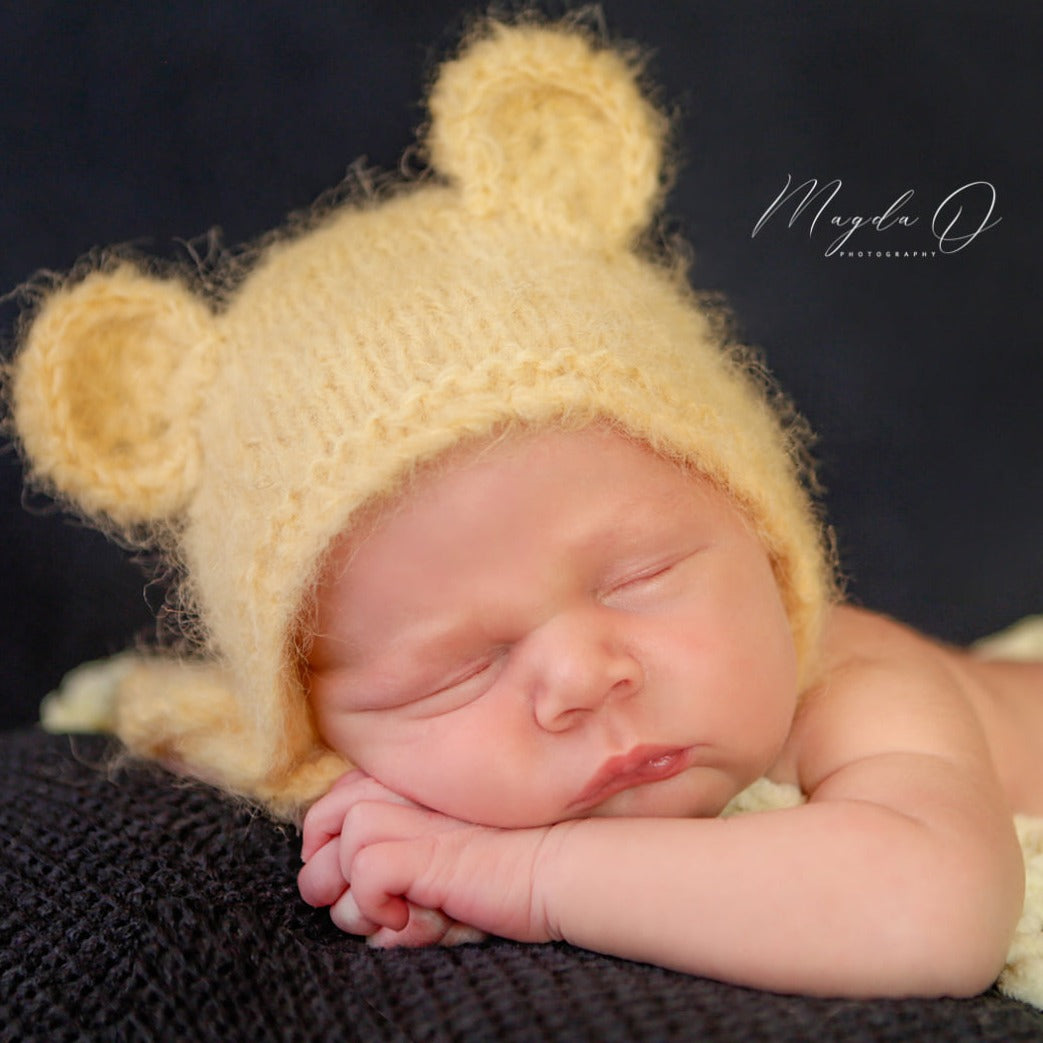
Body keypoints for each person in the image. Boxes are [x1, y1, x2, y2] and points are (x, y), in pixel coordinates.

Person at [5, 16, 1040, 999]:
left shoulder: (852, 689)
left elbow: (928, 915)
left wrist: (529, 874)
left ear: (764, 541)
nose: (582, 677)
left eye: (640, 578)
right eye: (453, 671)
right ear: (317, 726)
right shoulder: (325, 735)